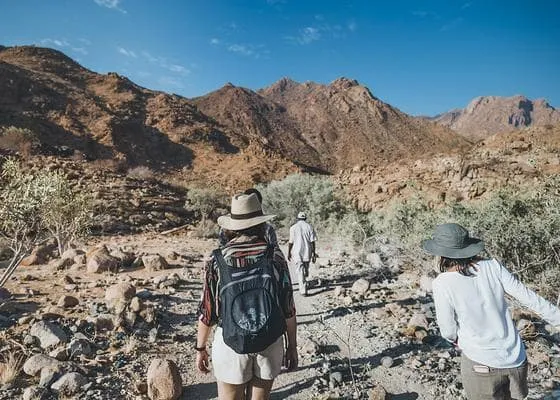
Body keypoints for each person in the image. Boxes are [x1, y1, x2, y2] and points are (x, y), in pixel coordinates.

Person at [422, 223, 560, 400]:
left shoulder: (442, 283)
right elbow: (531, 299)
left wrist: (456, 341)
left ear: (441, 254)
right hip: (516, 359)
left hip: (479, 362)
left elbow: (448, 330)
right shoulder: (493, 267)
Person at [196, 193, 298, 400]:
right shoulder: (275, 256)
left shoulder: (217, 260)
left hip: (231, 342)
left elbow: (207, 312)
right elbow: (288, 307)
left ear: (231, 227)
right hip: (269, 340)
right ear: (261, 224)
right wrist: (292, 347)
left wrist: (201, 348)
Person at [288, 212, 317, 296]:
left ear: (297, 218)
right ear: (305, 218)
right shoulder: (309, 227)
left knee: (302, 271)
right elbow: (312, 242)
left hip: (297, 252)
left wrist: (289, 252)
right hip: (307, 251)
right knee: (303, 270)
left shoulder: (293, 228)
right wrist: (314, 253)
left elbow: (291, 242)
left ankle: (303, 282)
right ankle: (303, 290)